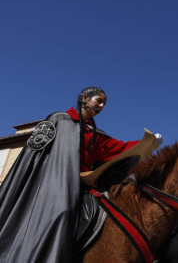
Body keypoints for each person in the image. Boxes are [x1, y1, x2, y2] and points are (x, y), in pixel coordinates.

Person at [0, 87, 163, 263]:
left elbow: (117, 148)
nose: (101, 106)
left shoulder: (94, 133)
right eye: (99, 101)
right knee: (64, 210)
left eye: (104, 104)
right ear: (85, 98)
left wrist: (146, 142)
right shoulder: (59, 120)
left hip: (84, 183)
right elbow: (35, 154)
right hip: (51, 183)